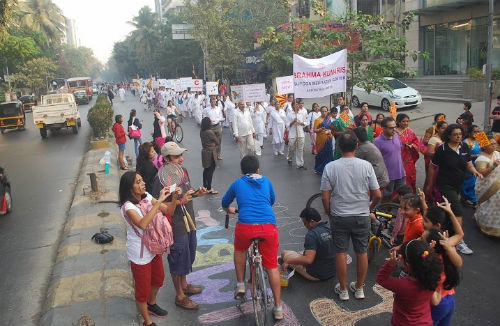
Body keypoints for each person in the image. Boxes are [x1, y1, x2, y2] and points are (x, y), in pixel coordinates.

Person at [321, 131, 382, 301]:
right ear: (357, 146)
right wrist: (369, 206)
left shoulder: (330, 167)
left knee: (341, 252)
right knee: (361, 252)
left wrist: (328, 211)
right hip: (362, 215)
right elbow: (377, 194)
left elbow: (325, 196)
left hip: (339, 215)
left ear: (339, 147)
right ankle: (360, 288)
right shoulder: (365, 166)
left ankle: (343, 289)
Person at [221, 155, 283, 320]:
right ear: (258, 169)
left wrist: (232, 210)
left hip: (246, 226)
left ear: (242, 171)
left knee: (240, 250)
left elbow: (224, 203)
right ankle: (278, 307)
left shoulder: (238, 183)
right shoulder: (267, 181)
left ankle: (241, 284)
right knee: (272, 267)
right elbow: (272, 200)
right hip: (268, 227)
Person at [151, 142, 209, 310]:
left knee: (188, 254)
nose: (181, 159)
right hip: (174, 225)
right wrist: (180, 201)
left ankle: (184, 285)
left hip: (188, 220)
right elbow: (157, 204)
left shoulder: (183, 171)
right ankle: (179, 295)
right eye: (176, 156)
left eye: (181, 155)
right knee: (177, 259)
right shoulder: (160, 178)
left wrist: (198, 193)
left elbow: (188, 193)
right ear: (167, 158)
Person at [119, 171, 178, 326]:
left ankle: (151, 304)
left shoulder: (146, 195)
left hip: (153, 247)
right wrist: (158, 201)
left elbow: (169, 211)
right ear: (129, 188)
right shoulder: (127, 207)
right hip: (139, 254)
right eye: (138, 182)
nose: (143, 183)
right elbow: (143, 224)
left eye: (142, 179)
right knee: (142, 290)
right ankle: (147, 321)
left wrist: (175, 197)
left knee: (158, 279)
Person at [425, 124, 483, 255]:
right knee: (457, 211)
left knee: (447, 209)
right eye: (456, 134)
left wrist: (474, 171)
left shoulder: (465, 146)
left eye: (460, 134)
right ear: (449, 136)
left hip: (460, 183)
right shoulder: (442, 149)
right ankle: (459, 240)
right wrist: (429, 184)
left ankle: (441, 233)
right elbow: (432, 166)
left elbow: (468, 163)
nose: (459, 137)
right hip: (445, 184)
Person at [376, 240, 443, 326]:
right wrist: (429, 253)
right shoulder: (431, 278)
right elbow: (424, 260)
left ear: (406, 264)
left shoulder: (403, 285)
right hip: (425, 322)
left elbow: (381, 278)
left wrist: (390, 265)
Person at [281, 207, 335, 281]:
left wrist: (288, 261)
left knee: (284, 253)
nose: (305, 226)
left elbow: (308, 260)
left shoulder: (312, 235)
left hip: (317, 274)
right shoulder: (330, 227)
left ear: (312, 221)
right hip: (333, 270)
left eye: (305, 223)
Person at [374, 117, 406, 201]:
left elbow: (399, 153)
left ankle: (394, 208)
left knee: (402, 194)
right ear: (383, 128)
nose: (394, 129)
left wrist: (403, 168)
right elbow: (375, 161)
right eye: (391, 128)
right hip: (387, 176)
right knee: (386, 196)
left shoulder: (396, 136)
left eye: (395, 127)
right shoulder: (377, 142)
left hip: (400, 173)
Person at [474, 138, 500, 237]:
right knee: (489, 206)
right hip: (487, 187)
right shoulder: (481, 158)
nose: (494, 145)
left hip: (497, 185)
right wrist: (493, 166)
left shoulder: (497, 154)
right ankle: (487, 226)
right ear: (484, 146)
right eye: (491, 144)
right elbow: (481, 174)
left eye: (495, 143)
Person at [396, 114, 420, 192]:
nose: (406, 123)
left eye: (407, 121)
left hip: (409, 160)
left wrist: (412, 146)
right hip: (397, 160)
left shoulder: (410, 132)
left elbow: (416, 143)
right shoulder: (394, 132)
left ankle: (410, 196)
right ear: (398, 122)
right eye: (403, 121)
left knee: (411, 178)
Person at [461, 125, 481, 207]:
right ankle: (469, 199)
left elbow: (488, 147)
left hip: (480, 164)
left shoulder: (481, 138)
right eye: (474, 132)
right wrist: (475, 156)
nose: (477, 133)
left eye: (478, 132)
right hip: (469, 164)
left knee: (479, 181)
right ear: (469, 133)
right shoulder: (465, 142)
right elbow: (463, 155)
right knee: (471, 182)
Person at [286, 99, 308, 169]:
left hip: (300, 133)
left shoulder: (302, 113)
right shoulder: (289, 114)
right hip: (292, 134)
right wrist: (293, 121)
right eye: (295, 105)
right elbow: (287, 125)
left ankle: (300, 164)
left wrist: (301, 123)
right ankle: (289, 157)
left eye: (297, 104)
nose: (297, 106)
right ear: (292, 106)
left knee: (300, 149)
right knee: (291, 147)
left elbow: (306, 122)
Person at [200, 117, 219, 194]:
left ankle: (205, 186)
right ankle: (209, 188)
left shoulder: (202, 131)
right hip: (211, 153)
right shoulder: (210, 132)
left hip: (204, 151)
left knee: (206, 169)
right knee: (211, 170)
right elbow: (217, 141)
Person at [313, 106, 334, 174]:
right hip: (321, 140)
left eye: (325, 111)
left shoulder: (328, 119)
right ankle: (319, 169)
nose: (324, 113)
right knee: (321, 154)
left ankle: (328, 169)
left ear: (327, 112)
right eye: (323, 111)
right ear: (320, 112)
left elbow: (331, 127)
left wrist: (331, 131)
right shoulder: (317, 120)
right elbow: (314, 130)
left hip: (328, 138)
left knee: (329, 154)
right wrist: (319, 129)